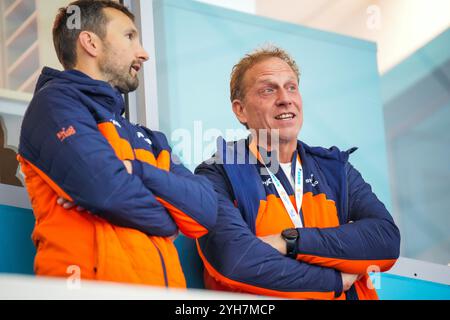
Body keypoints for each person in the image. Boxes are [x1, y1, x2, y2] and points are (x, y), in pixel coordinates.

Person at [18, 0, 217, 288]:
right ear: (90, 43)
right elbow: (105, 191)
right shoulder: (54, 104)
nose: (144, 53)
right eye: (129, 36)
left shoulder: (150, 138)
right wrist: (171, 221)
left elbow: (205, 210)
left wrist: (137, 171)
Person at [195, 46, 400, 299]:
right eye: (268, 90)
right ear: (240, 110)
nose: (285, 98)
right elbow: (235, 260)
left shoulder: (335, 168)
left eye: (291, 87)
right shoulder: (219, 174)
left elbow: (385, 241)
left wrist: (288, 242)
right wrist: (334, 279)